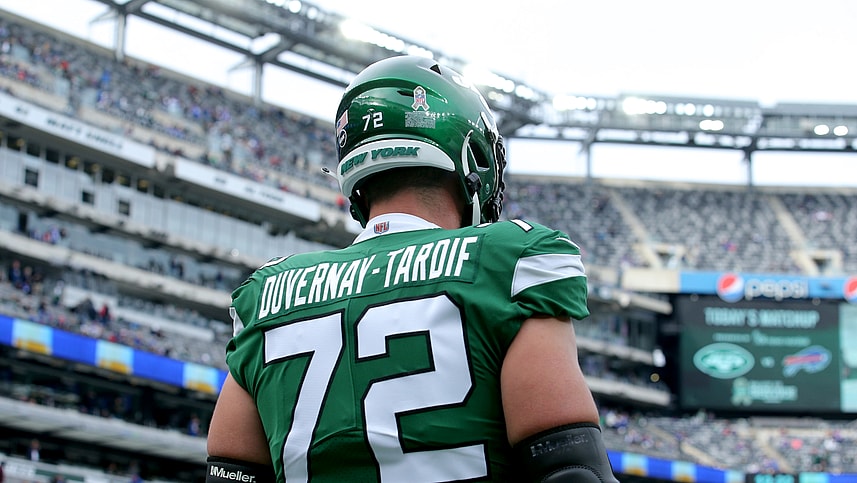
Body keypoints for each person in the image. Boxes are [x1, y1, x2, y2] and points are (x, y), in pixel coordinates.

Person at [206, 55, 619, 482]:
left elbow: (228, 475)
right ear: (473, 159)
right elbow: (571, 472)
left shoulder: (267, 296)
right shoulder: (510, 261)